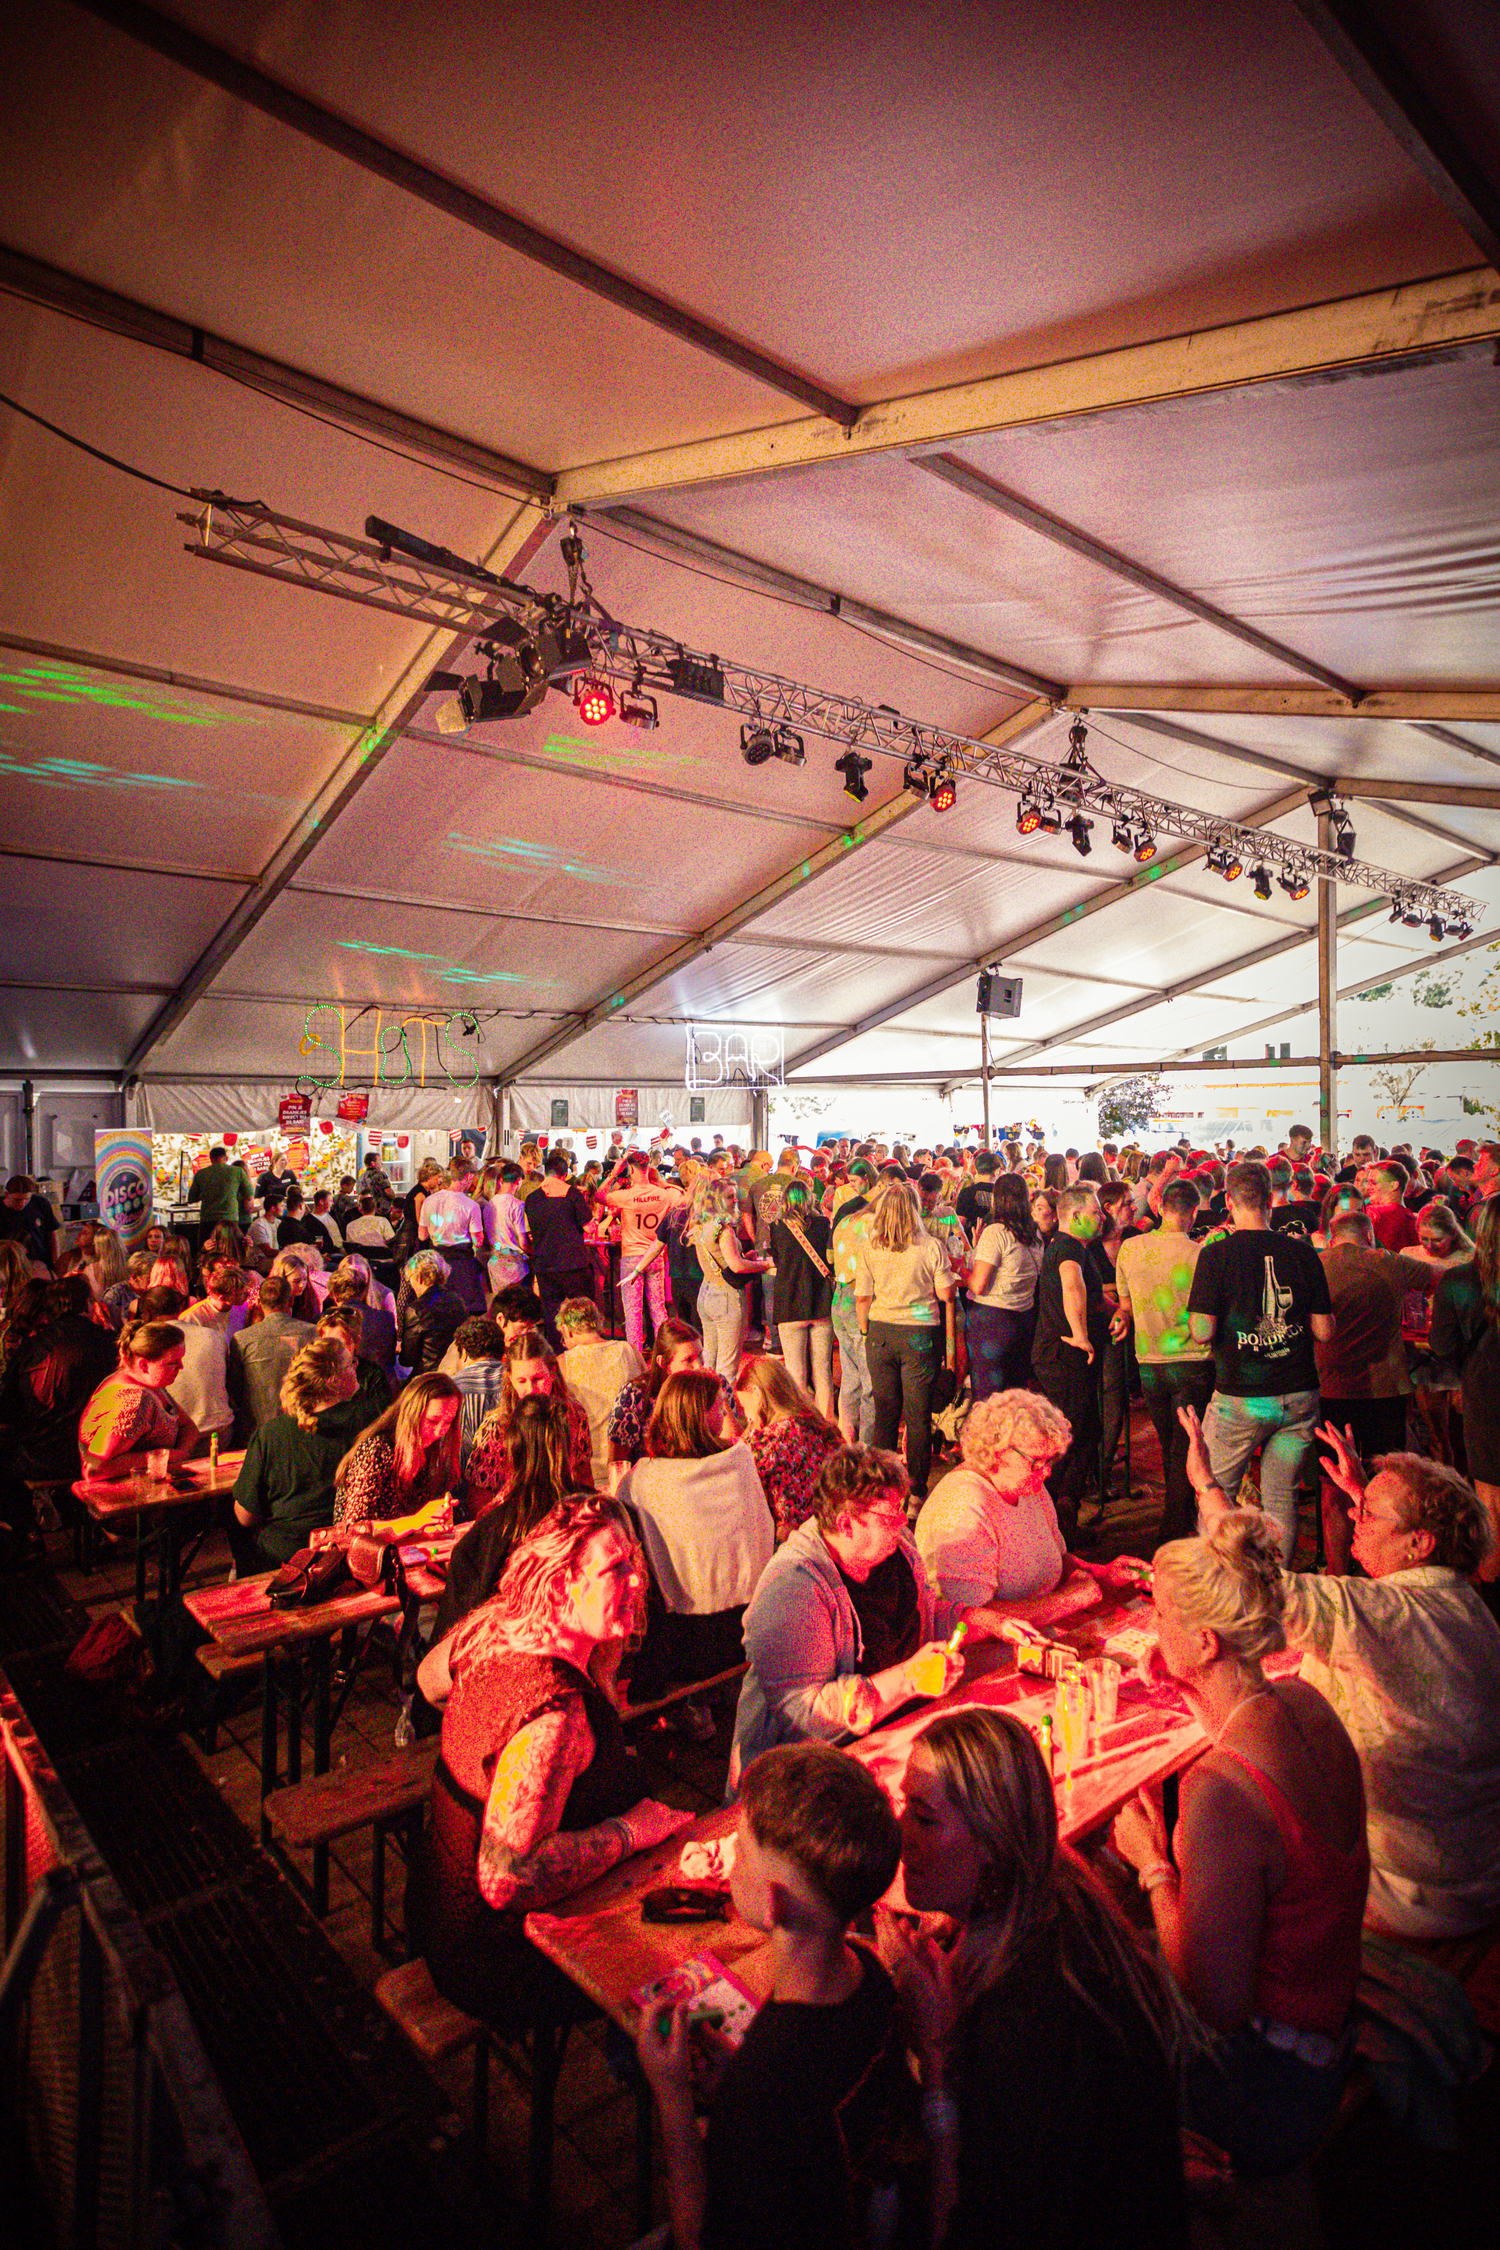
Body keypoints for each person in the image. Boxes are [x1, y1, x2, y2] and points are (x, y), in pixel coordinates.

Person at [1112, 1503, 1368, 2176]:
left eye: (1160, 1615)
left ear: (1204, 1642)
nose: (1149, 1627)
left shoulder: (1219, 1790)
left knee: (1101, 1975)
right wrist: (1190, 1688)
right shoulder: (1310, 1705)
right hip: (1329, 2030)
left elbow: (1217, 2006)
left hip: (1271, 2085)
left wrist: (1153, 1869)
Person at [877, 1708, 1188, 2249]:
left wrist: (936, 2054)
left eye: (923, 1818)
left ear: (995, 1840)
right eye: (904, 1806)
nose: (899, 1835)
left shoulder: (1023, 2020)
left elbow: (975, 2222)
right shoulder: (1054, 1891)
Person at [1186, 1409, 1500, 1941]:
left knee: (1227, 1805)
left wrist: (1206, 1484)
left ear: (1418, 1543)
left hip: (1412, 1890)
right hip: (1475, 1865)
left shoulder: (1386, 1614)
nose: (1354, 1517)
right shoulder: (1467, 1603)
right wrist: (1368, 1494)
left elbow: (1258, 1581)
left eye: (1368, 1514)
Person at [406, 1497, 691, 2029]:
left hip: (433, 1907)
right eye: (615, 1569)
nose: (637, 1581)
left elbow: (428, 1683)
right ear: (561, 1587)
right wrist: (632, 1831)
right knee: (691, 1954)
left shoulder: (494, 1626)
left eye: (634, 1560)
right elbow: (507, 1879)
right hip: (495, 1961)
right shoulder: (553, 1717)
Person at [638, 1744, 906, 2250]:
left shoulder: (763, 2084)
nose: (733, 1856)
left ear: (775, 1900)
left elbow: (701, 2236)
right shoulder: (872, 1976)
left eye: (741, 1846)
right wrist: (741, 2070)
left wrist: (672, 2098)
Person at [731, 1446, 963, 1777]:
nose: (902, 1521)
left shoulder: (898, 1550)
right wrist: (909, 1680)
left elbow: (922, 1616)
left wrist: (987, 1621)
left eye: (900, 1510)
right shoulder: (794, 1585)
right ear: (846, 1524)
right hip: (808, 1773)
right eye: (890, 1515)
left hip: (894, 1738)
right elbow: (805, 1718)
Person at [1186, 1158, 1335, 1562]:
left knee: (1216, 1490)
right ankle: (1278, 1586)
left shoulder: (1216, 1256)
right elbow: (1325, 1330)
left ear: (1229, 1202)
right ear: (1271, 1200)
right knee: (1280, 1496)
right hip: (1298, 1393)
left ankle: (1221, 1587)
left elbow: (1201, 1331)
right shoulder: (1302, 1253)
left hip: (1241, 1398)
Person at [914, 1390, 1137, 1640]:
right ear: (996, 1450)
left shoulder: (1028, 1486)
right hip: (982, 1663)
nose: (1046, 1472)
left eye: (1050, 1461)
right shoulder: (962, 1508)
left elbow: (1055, 1559)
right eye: (1037, 1462)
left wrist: (1101, 1574)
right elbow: (968, 1622)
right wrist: (1068, 1601)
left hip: (1040, 1642)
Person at [615, 1369, 774, 1698]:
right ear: (698, 1416)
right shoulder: (740, 1462)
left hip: (680, 1641)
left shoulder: (642, 1481)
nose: (727, 1413)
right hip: (750, 1626)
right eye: (720, 1406)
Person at [1313, 1209, 1442, 1570]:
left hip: (1331, 1388)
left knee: (1332, 1488)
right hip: (1385, 1390)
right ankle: (1386, 1569)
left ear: (1329, 1235)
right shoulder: (1391, 1262)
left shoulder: (1316, 1263)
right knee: (1385, 1485)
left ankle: (1339, 1573)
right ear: (1370, 1235)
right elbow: (1441, 1277)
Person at [1113, 1178, 1214, 1540]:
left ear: (1160, 1209)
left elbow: (1125, 1307)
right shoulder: (1200, 1253)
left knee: (1169, 1443)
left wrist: (1123, 1318)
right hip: (1193, 1360)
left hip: (1149, 1361)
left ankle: (1177, 1520)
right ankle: (1176, 1527)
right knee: (1187, 1445)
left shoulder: (1130, 1249)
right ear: (1194, 1212)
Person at [228, 1336, 373, 1572]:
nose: (357, 1367)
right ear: (332, 1381)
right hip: (354, 1555)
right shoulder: (372, 1424)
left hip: (285, 1560)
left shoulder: (271, 1434)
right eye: (351, 1364)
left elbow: (245, 1516)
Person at [854, 1176, 957, 1503]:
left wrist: (867, 1332)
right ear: (913, 1210)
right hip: (920, 1333)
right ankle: (915, 1493)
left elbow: (862, 1297)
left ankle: (884, 1488)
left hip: (881, 1330)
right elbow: (945, 1293)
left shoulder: (869, 1246)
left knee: (886, 1412)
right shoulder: (930, 1246)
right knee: (918, 1416)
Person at [0, 1276, 117, 1540]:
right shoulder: (108, 1341)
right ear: (88, 1304)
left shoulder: (35, 1347)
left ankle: (26, 1531)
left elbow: (7, 1407)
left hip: (42, 1456)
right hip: (100, 1451)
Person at [1028, 1185, 1109, 1541]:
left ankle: (1060, 1515)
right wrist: (1080, 1333)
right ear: (1074, 1216)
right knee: (1072, 1436)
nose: (1102, 1216)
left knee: (1081, 1431)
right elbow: (1071, 1285)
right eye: (1096, 1212)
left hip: (1061, 1356)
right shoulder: (1068, 1249)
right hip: (1063, 1356)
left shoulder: (1070, 1247)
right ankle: (1053, 1520)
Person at [465, 1327, 594, 1499]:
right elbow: (479, 1498)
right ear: (510, 1378)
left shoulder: (574, 1415)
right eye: (521, 1381)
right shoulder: (497, 1427)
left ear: (553, 1372)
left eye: (537, 1379)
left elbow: (583, 1476)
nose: (531, 1389)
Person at [78, 1312, 200, 1477]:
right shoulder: (131, 1400)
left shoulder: (151, 1384)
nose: (181, 1366)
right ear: (143, 1365)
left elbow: (188, 1426)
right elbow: (94, 1469)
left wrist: (180, 1454)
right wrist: (166, 1456)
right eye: (172, 1362)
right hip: (126, 1498)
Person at [735, 1355, 844, 1540]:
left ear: (756, 1393)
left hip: (790, 1543)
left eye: (745, 1406)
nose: (747, 1415)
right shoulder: (814, 1423)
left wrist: (751, 1432)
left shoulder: (766, 1442)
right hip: (830, 1533)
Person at [333, 1373, 462, 1525]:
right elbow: (353, 1528)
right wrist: (415, 1522)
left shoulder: (432, 1449)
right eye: (432, 1421)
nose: (440, 1431)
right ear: (412, 1414)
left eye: (448, 1422)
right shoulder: (377, 1450)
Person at [965, 1173, 1045, 1401]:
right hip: (1024, 1319)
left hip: (992, 1322)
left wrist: (960, 1268)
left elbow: (978, 1285)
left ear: (997, 1200)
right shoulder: (1034, 1232)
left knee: (990, 1397)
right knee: (1016, 1395)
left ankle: (991, 1438)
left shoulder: (996, 1232)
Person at [596, 1147, 682, 1357]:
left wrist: (615, 1172)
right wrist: (661, 1182)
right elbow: (681, 1197)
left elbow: (599, 1195)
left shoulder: (626, 1196)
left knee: (633, 1311)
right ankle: (665, 1353)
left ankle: (635, 1357)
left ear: (631, 1170)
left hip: (632, 1257)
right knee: (658, 1309)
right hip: (656, 1255)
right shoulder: (663, 1194)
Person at [555, 1296, 643, 1488]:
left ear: (567, 1331)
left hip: (589, 1474)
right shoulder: (628, 1350)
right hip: (632, 1466)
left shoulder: (563, 1363)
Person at [770, 1179, 836, 1418]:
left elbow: (777, 1260)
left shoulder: (777, 1226)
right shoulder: (821, 1224)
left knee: (796, 1375)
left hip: (790, 1304)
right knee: (823, 1374)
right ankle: (827, 1423)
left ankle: (802, 1426)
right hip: (820, 1304)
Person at [689, 1178, 766, 1382]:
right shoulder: (723, 1228)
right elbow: (736, 1266)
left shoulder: (700, 1225)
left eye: (735, 1196)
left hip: (706, 1292)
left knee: (708, 1360)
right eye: (729, 1197)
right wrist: (766, 1265)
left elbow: (720, 1261)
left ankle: (705, 1408)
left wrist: (743, 1258)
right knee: (727, 1367)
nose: (735, 1201)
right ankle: (724, 1411)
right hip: (726, 1295)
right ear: (716, 1200)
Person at [226, 1271, 315, 1437]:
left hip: (256, 1432)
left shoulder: (242, 1339)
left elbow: (234, 1390)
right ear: (291, 1301)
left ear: (259, 1303)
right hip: (303, 1428)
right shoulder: (312, 1333)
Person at [828, 1160, 877, 1445]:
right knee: (869, 1381)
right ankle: (866, 1446)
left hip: (839, 1297)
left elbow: (833, 1259)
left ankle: (847, 1438)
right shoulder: (870, 1223)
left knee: (850, 1376)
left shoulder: (843, 1221)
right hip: (861, 1298)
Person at [418, 1166, 488, 1315]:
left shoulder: (429, 1200)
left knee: (440, 1309)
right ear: (468, 1176)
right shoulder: (471, 1205)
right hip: (462, 1263)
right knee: (465, 1309)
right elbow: (478, 1241)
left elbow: (422, 1235)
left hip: (437, 1261)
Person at [397, 1249, 467, 1375]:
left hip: (428, 1376)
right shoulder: (458, 1300)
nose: (410, 1284)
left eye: (410, 1279)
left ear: (419, 1277)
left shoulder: (416, 1309)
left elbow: (407, 1360)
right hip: (457, 1370)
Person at [325, 1260, 397, 1375]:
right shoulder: (386, 1318)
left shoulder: (326, 1321)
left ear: (334, 1295)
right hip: (383, 1382)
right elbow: (391, 1360)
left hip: (343, 1382)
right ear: (363, 1293)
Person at [187, 1145, 253, 1234]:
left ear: (210, 1159)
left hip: (208, 1219)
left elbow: (192, 1199)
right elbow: (249, 1197)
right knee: (230, 1246)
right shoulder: (238, 1171)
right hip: (230, 1219)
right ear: (226, 1158)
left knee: (208, 1246)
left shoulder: (200, 1174)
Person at [0, 1176, 59, 1273]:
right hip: (8, 1263)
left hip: (39, 1259)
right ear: (7, 1194)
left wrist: (56, 1260)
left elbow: (52, 1233)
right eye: (17, 1200)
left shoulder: (40, 1203)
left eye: (26, 1199)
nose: (22, 1203)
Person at [343, 1193, 395, 1258]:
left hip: (360, 1262)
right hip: (382, 1261)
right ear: (375, 1208)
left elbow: (350, 1247)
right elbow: (392, 1241)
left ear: (360, 1209)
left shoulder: (350, 1225)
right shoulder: (383, 1221)